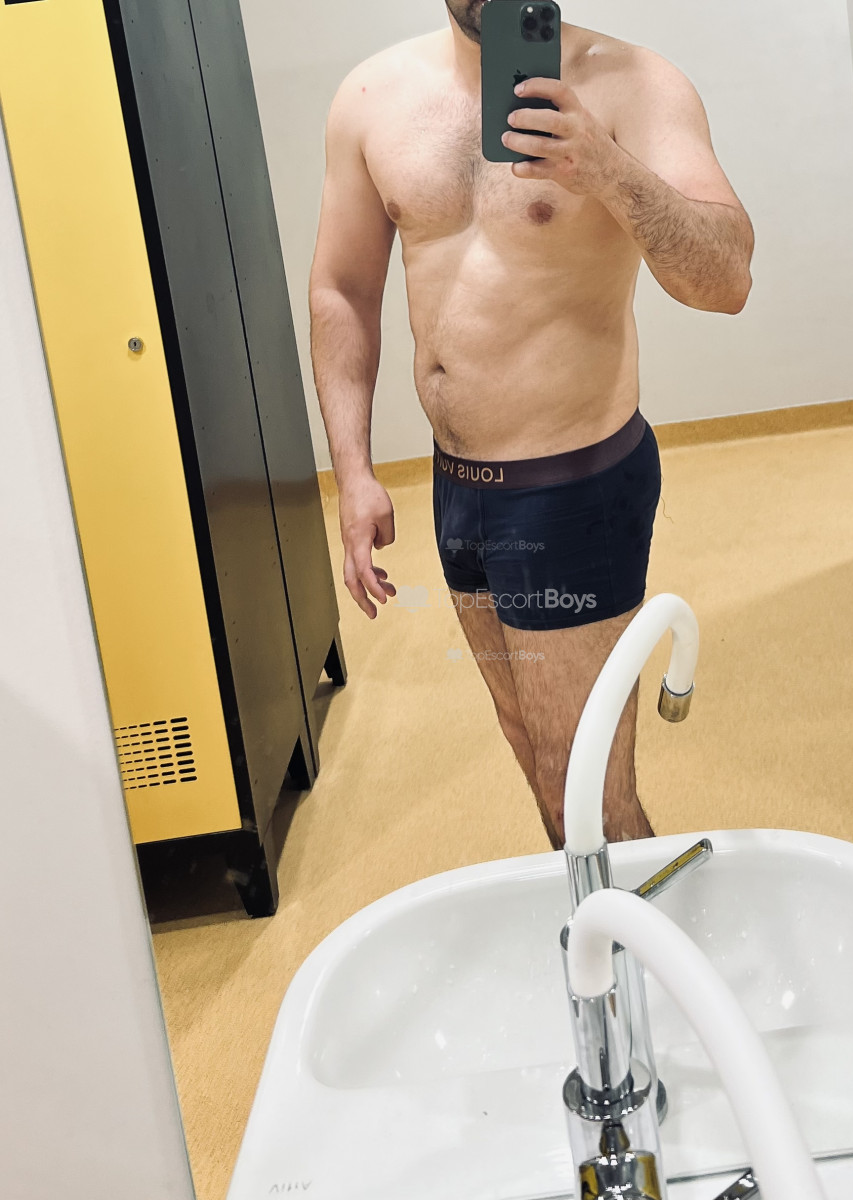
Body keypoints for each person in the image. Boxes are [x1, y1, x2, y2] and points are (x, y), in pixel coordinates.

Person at [309, 1, 754, 849]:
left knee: (581, 788)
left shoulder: (633, 84)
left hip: (573, 489)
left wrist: (606, 170)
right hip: (458, 490)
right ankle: (601, 927)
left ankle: (634, 933)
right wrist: (352, 471)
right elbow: (342, 289)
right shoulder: (370, 98)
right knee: (533, 752)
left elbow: (725, 278)